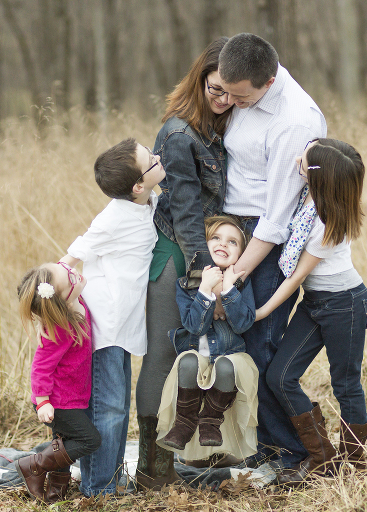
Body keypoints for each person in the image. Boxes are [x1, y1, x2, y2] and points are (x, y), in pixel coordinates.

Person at [216, 33, 327, 469]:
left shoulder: (295, 122)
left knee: (260, 345)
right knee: (236, 346)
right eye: (226, 90)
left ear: (268, 81)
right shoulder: (243, 89)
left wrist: (236, 275)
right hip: (236, 229)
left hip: (266, 243)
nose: (231, 101)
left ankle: (292, 451)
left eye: (240, 96)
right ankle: (255, 443)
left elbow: (277, 220)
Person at [135, 37, 235, 490]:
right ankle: (152, 470)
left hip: (204, 253)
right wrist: (202, 270)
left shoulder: (220, 126)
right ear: (200, 80)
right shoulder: (179, 135)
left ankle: (184, 455)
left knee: (188, 357)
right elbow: (186, 211)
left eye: (232, 91)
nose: (224, 98)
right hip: (177, 255)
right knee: (162, 354)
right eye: (216, 88)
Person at [259, 139, 367, 484]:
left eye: (303, 160)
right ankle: (320, 455)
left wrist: (260, 312)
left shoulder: (326, 223)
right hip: (316, 303)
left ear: (318, 177)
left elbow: (295, 277)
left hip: (345, 304)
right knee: (279, 375)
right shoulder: (306, 198)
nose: (297, 160)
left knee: (345, 383)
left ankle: (353, 461)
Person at [59, 138, 165, 496]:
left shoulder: (148, 200)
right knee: (110, 407)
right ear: (137, 185)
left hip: (124, 321)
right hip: (106, 321)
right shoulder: (114, 216)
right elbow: (73, 255)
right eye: (151, 160)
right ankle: (99, 489)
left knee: (115, 405)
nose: (158, 157)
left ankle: (109, 477)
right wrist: (59, 296)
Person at [157, 216, 258, 461]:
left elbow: (244, 323)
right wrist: (204, 292)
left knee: (226, 365)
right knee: (187, 362)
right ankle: (185, 420)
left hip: (229, 355)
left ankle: (211, 420)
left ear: (241, 253)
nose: (223, 244)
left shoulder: (242, 285)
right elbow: (194, 326)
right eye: (215, 238)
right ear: (204, 243)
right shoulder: (187, 285)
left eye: (232, 242)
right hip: (198, 353)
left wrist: (229, 292)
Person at [14, 262, 101, 503]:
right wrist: (42, 401)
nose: (75, 274)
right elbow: (41, 366)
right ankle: (34, 465)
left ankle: (55, 495)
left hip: (72, 397)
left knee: (61, 444)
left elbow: (69, 272)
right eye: (70, 280)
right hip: (58, 402)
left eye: (68, 269)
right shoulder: (59, 327)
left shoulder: (78, 304)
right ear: (61, 299)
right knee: (89, 440)